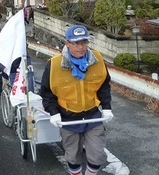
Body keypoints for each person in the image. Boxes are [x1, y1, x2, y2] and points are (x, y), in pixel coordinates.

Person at [40, 25, 114, 175]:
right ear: (67, 43)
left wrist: (106, 107)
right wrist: (53, 112)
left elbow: (104, 85)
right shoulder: (54, 64)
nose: (81, 47)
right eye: (76, 43)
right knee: (73, 157)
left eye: (84, 42)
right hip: (68, 118)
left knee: (97, 155)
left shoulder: (97, 59)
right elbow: (46, 92)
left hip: (92, 116)